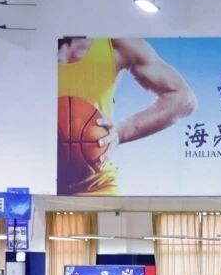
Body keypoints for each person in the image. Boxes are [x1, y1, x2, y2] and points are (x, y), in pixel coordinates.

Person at [56, 36, 196, 194]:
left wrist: (122, 131)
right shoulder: (38, 51)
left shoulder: (116, 43)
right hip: (44, 181)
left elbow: (184, 98)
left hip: (98, 186)